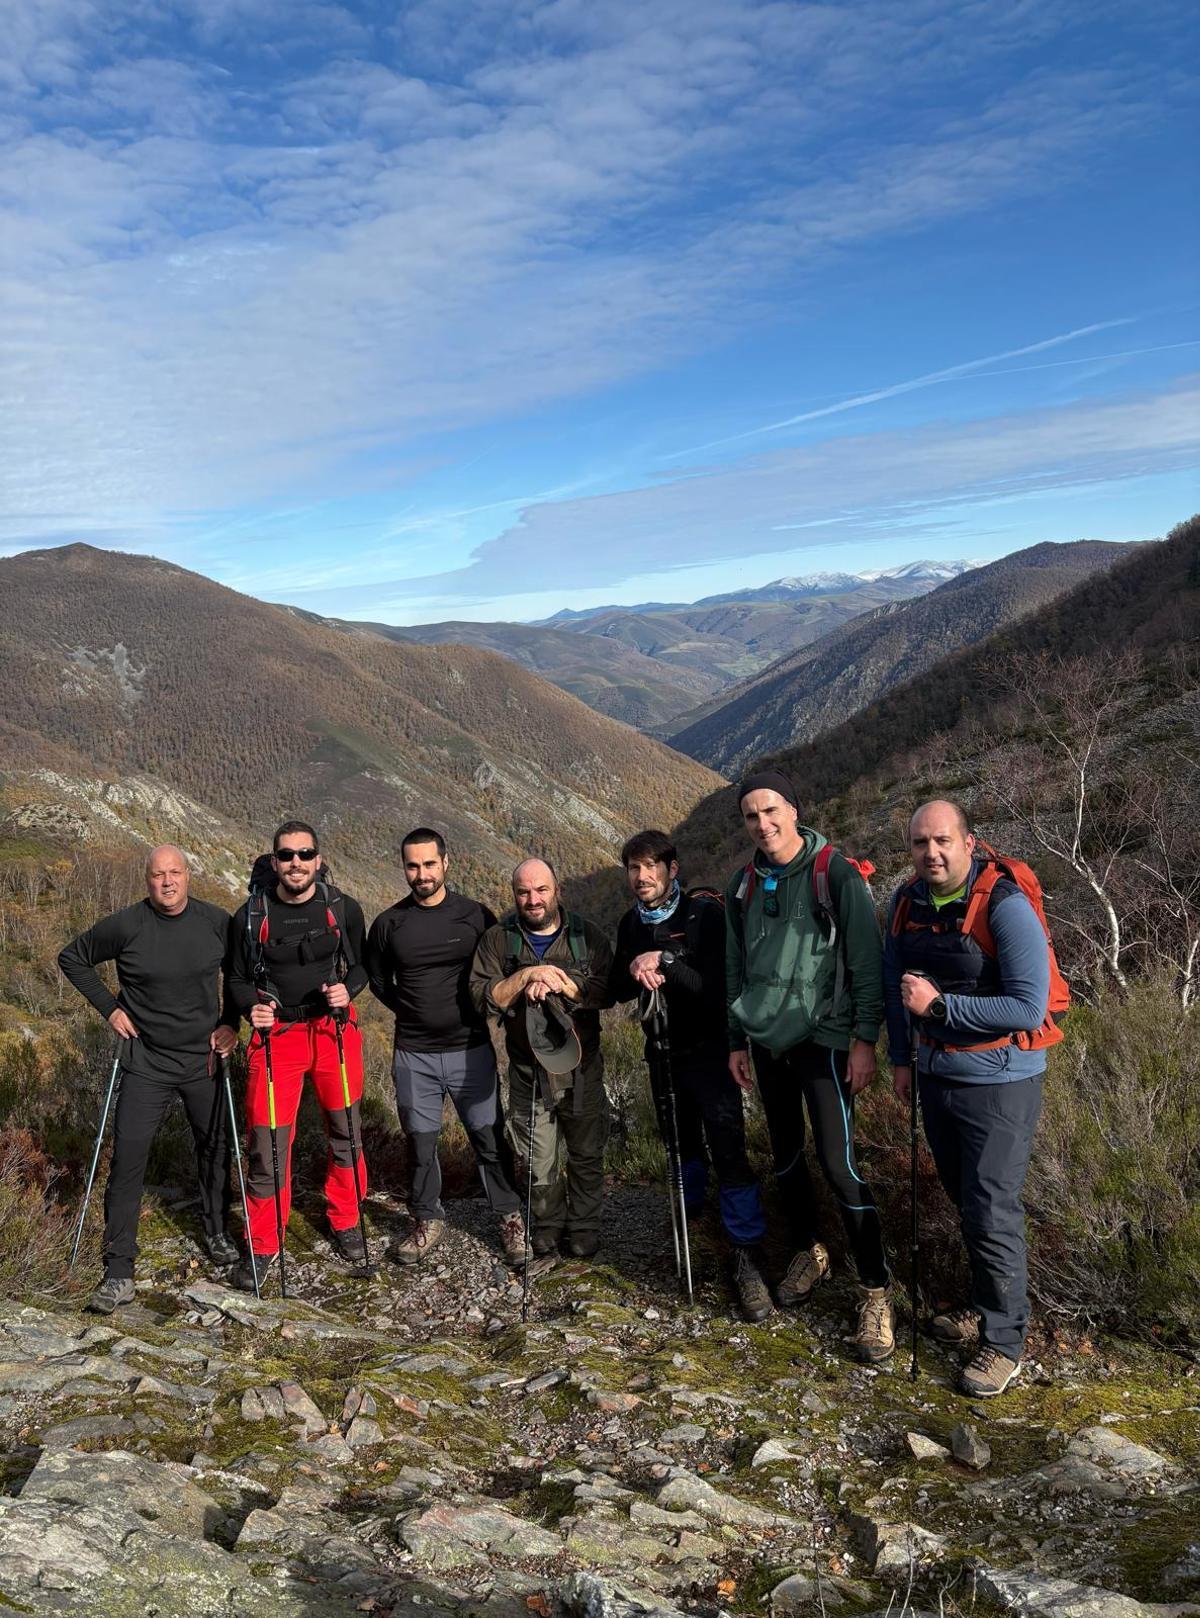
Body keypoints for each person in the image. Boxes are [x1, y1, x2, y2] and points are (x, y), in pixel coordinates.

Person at [725, 771, 894, 1361]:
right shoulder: (742, 885)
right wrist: (737, 1039)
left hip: (823, 1039)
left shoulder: (836, 875)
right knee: (788, 1157)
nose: (763, 824)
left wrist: (864, 1039)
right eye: (751, 816)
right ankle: (810, 1250)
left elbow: (867, 963)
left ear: (795, 809)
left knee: (838, 1162)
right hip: (767, 1041)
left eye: (771, 810)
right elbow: (735, 967)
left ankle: (875, 1288)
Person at [885, 800, 1051, 1398]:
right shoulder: (906, 905)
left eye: (943, 841)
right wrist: (902, 1059)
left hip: (1002, 1080)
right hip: (937, 1075)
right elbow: (893, 984)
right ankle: (985, 1308)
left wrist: (941, 1008)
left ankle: (1005, 1344)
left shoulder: (1005, 907)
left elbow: (1028, 1007)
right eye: (921, 843)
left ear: (969, 842)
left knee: (990, 1208)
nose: (932, 852)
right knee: (965, 1200)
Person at [58, 844, 239, 1313]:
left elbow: (239, 976)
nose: (167, 881)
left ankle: (217, 1231)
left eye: (175, 872)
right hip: (145, 1061)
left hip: (203, 1058)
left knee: (216, 1146)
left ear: (188, 875)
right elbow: (73, 958)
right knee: (129, 1160)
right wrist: (110, 1009)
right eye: (158, 875)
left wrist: (232, 1023)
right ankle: (119, 1270)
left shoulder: (216, 922)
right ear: (147, 880)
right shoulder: (126, 925)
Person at [610, 829, 771, 1320]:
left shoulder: (704, 915)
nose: (643, 877)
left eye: (652, 866)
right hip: (662, 1055)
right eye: (635, 868)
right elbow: (618, 986)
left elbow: (716, 988)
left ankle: (746, 1254)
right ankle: (694, 1224)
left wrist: (667, 959)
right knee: (679, 1144)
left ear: (672, 869)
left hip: (710, 1052)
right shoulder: (629, 923)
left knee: (728, 1147)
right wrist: (634, 968)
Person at [366, 827, 526, 1267]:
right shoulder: (389, 924)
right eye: (413, 866)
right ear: (404, 868)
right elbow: (378, 979)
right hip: (413, 1053)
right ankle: (425, 1220)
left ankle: (510, 1218)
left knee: (489, 1137)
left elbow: (499, 971)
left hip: (470, 1047)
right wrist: (411, 1009)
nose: (421, 874)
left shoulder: (476, 916)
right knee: (420, 1143)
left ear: (446, 863)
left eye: (429, 864)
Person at [225, 821, 369, 1291]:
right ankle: (264, 1243)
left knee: (346, 1131)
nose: (296, 864)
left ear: (319, 859)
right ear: (273, 862)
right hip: (278, 1036)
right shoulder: (249, 916)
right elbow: (238, 979)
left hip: (333, 1031)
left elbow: (363, 964)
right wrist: (251, 1009)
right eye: (286, 856)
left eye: (305, 854)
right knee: (266, 1144)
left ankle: (345, 1219)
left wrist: (348, 990)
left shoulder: (342, 909)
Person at [470, 858, 613, 1260]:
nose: (533, 899)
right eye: (523, 892)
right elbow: (482, 996)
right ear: (514, 894)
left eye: (541, 890)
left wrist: (564, 984)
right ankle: (548, 1225)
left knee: (586, 1153)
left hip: (582, 1068)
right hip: (528, 1071)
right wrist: (527, 977)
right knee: (538, 1158)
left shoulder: (588, 936)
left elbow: (608, 989)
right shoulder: (498, 940)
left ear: (557, 891)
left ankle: (584, 1226)